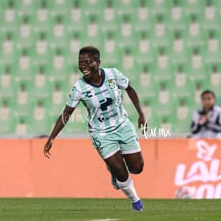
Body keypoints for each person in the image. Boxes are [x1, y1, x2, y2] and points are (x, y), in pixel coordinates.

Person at [43, 46, 146, 211]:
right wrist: (52, 137)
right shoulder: (79, 88)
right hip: (101, 133)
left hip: (123, 126)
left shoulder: (113, 74)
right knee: (121, 171)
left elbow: (130, 89)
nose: (83, 65)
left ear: (98, 62)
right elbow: (66, 113)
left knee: (137, 168)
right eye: (80, 62)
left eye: (87, 62)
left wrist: (141, 114)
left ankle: (114, 170)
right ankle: (135, 201)